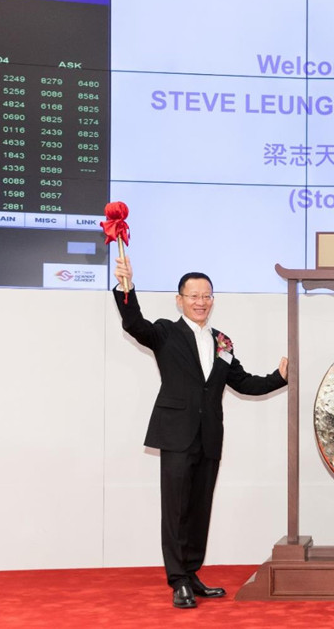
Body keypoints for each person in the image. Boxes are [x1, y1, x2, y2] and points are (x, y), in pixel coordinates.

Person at [113, 255, 288, 609]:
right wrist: (125, 286)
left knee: (199, 509)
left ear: (213, 300)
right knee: (176, 510)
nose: (200, 302)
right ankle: (177, 580)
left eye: (206, 296)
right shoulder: (165, 331)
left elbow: (243, 382)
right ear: (179, 300)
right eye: (193, 296)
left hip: (209, 436)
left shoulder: (223, 341)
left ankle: (191, 573)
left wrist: (280, 377)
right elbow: (134, 324)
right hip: (176, 434)